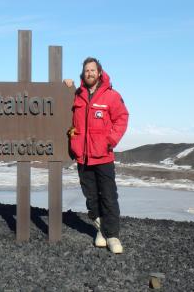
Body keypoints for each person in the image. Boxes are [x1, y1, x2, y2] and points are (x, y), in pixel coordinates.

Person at [64, 57, 129, 254]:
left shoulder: (111, 96)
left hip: (103, 156)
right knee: (91, 199)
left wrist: (110, 141)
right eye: (86, 70)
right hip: (83, 157)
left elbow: (122, 118)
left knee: (108, 197)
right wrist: (66, 87)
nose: (89, 73)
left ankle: (113, 236)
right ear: (83, 74)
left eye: (93, 70)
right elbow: (64, 113)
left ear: (99, 73)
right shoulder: (77, 95)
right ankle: (102, 230)